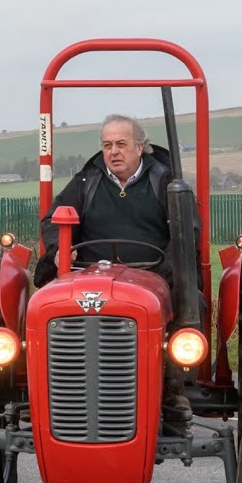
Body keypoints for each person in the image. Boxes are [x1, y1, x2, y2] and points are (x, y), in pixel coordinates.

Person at [34, 113, 193, 420]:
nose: (113, 152)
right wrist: (59, 250)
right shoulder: (87, 181)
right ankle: (44, 388)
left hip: (151, 276)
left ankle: (171, 388)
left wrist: (163, 275)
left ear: (140, 147)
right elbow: (53, 220)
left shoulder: (165, 182)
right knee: (45, 304)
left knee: (187, 301)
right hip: (88, 275)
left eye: (121, 144)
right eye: (107, 145)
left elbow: (186, 234)